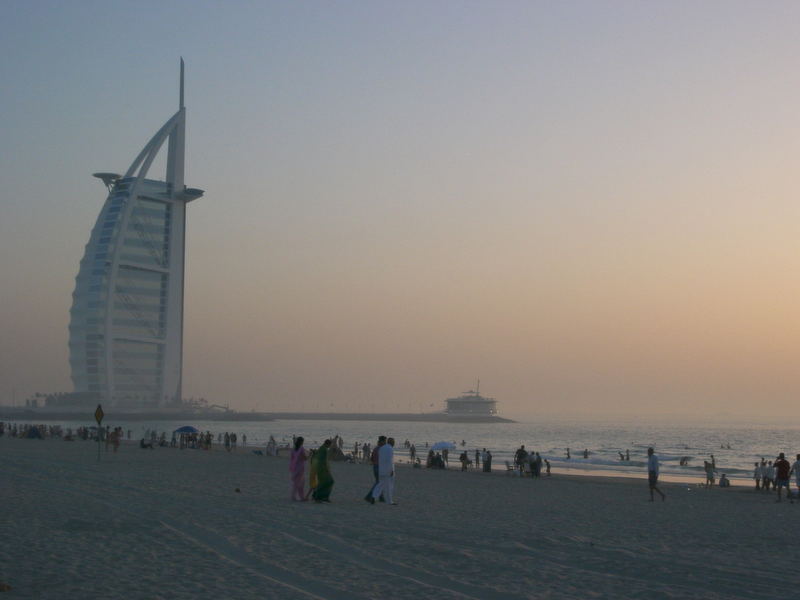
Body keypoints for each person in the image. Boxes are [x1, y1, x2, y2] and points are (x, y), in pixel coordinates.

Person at [370, 437, 396, 505]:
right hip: (388, 470)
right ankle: (390, 501)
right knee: (389, 486)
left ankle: (373, 496)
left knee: (380, 484)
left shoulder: (382, 448)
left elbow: (380, 459)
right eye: (394, 442)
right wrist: (391, 470)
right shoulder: (390, 449)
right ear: (392, 442)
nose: (394, 443)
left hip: (381, 470)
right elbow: (390, 461)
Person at [364, 436, 386, 503]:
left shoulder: (375, 449)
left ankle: (381, 497)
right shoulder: (382, 449)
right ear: (382, 441)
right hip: (380, 467)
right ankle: (369, 496)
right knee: (379, 482)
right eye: (385, 441)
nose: (385, 442)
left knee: (379, 482)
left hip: (375, 467)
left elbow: (372, 459)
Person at [289, 436, 308, 501]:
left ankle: (295, 496)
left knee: (296, 483)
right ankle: (299, 497)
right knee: (301, 483)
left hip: (295, 467)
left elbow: (292, 458)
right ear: (301, 442)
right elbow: (305, 458)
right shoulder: (301, 449)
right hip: (300, 468)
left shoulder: (294, 448)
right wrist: (310, 454)